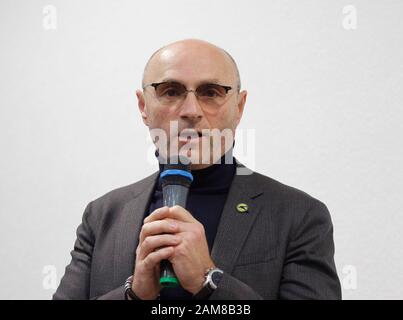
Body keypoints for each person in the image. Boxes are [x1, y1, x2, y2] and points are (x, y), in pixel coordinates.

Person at [53, 39, 341, 300]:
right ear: (143, 106)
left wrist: (210, 281)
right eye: (170, 91)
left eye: (211, 92)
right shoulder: (103, 215)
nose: (191, 110)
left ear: (239, 107)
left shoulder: (298, 215)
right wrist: (135, 295)